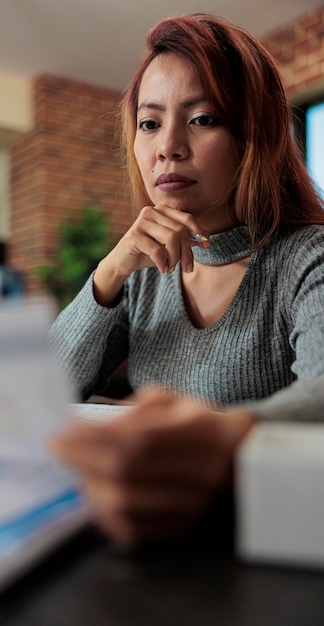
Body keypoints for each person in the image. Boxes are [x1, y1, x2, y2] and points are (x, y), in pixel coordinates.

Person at [49, 13, 324, 544]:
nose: (167, 146)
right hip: (138, 543)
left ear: (254, 137)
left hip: (259, 543)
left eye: (202, 119)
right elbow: (48, 391)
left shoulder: (306, 257)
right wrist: (108, 273)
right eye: (150, 123)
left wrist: (222, 433)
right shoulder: (143, 272)